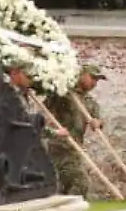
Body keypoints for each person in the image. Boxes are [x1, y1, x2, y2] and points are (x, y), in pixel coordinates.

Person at [45, 64, 106, 196]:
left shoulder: (90, 102)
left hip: (75, 149)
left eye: (97, 80)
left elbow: (98, 120)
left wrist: (97, 122)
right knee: (80, 182)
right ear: (82, 74)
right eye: (92, 78)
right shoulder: (63, 93)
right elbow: (47, 106)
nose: (94, 83)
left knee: (66, 187)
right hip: (58, 147)